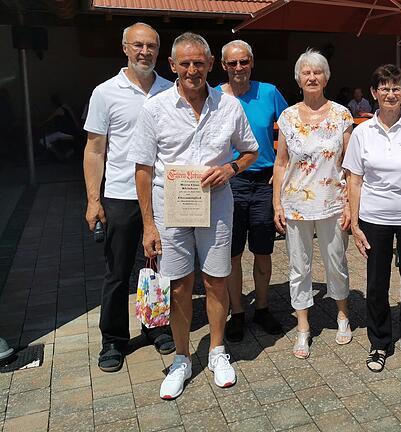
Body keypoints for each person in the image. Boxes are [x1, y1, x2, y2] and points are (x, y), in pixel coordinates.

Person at [127, 32, 259, 399]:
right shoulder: (155, 109)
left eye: (198, 63)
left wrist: (231, 169)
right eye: (184, 63)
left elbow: (250, 151)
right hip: (171, 209)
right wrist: (148, 224)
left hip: (216, 206)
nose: (191, 70)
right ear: (172, 66)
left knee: (217, 280)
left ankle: (217, 350)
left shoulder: (229, 106)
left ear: (210, 64)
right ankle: (183, 358)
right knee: (179, 284)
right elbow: (142, 167)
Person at [83, 22, 174, 373]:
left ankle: (156, 326)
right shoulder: (106, 93)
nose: (144, 52)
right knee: (118, 273)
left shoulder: (171, 90)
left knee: (158, 267)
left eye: (151, 46)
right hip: (120, 195)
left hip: (161, 193)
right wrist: (94, 199)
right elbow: (94, 149)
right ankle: (114, 340)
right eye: (137, 45)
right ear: (124, 47)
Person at [342, 64, 401, 372]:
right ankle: (379, 342)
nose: (390, 93)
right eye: (384, 88)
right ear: (374, 93)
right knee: (377, 284)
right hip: (374, 217)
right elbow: (354, 179)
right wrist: (354, 222)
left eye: (396, 88)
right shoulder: (362, 132)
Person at [273, 49, 354, 359]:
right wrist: (276, 203)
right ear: (298, 78)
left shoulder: (342, 114)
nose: (311, 77)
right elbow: (280, 164)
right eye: (306, 72)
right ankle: (303, 326)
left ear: (326, 77)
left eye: (317, 72)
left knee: (336, 262)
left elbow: (350, 164)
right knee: (299, 266)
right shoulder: (288, 117)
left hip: (334, 202)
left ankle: (343, 315)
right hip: (295, 202)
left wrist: (350, 203)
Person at [215, 40, 288, 342]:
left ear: (251, 63)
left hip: (263, 182)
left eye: (243, 62)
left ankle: (262, 307)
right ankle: (237, 312)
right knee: (231, 253)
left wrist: (284, 168)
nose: (238, 68)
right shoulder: (214, 96)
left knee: (262, 250)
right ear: (223, 66)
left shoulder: (269, 92)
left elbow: (290, 129)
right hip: (229, 181)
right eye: (232, 63)